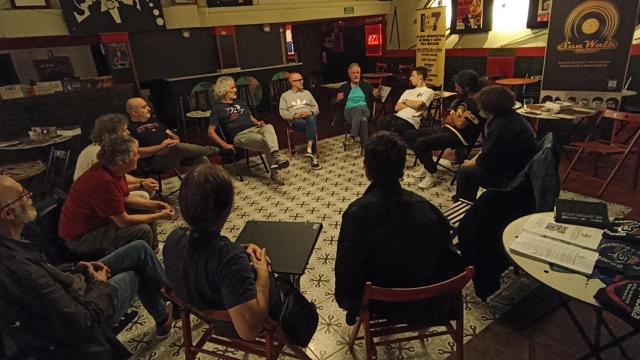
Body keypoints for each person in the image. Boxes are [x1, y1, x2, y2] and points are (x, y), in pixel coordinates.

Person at [0, 176, 172, 359]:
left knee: (139, 249)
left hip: (75, 284)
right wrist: (99, 284)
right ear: (8, 214)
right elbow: (81, 322)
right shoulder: (17, 267)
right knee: (137, 270)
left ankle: (172, 302)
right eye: (23, 195)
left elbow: (48, 274)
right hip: (86, 321)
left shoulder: (14, 244)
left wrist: (78, 267)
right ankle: (169, 308)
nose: (30, 196)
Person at [334, 131, 462, 327]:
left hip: (381, 304)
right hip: (430, 300)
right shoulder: (427, 208)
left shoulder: (357, 214)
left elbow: (347, 272)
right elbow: (448, 258)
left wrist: (350, 303)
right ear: (402, 168)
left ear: (367, 168)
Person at [163, 164, 277, 340]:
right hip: (229, 323)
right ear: (227, 209)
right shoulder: (230, 262)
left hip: (201, 307)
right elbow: (249, 332)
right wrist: (263, 276)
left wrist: (240, 247)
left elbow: (202, 249)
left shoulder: (173, 239)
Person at [59, 135, 175, 259]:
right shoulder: (102, 181)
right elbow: (123, 222)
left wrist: (157, 205)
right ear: (121, 161)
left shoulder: (114, 171)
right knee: (142, 230)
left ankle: (153, 252)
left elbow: (126, 199)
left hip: (97, 225)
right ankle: (146, 261)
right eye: (135, 154)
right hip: (81, 239)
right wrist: (159, 216)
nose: (139, 156)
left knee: (146, 209)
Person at [455, 85, 537, 202]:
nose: (478, 108)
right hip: (518, 166)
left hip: (511, 175)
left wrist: (472, 163)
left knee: (464, 173)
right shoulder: (511, 117)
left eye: (480, 104)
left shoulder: (501, 126)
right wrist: (475, 161)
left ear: (490, 106)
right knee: (470, 166)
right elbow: (489, 149)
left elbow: (487, 160)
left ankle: (464, 206)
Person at [410, 70, 486, 189]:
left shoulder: (477, 103)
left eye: (458, 86)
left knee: (421, 143)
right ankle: (425, 166)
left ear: (466, 87)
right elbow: (446, 119)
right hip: (448, 129)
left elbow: (460, 124)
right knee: (412, 134)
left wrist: (453, 116)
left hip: (461, 137)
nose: (456, 89)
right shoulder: (462, 99)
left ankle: (432, 174)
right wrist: (454, 118)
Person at [208, 76, 289, 185]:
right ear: (224, 89)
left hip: (254, 129)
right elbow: (210, 131)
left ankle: (276, 156)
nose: (235, 90)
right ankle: (275, 173)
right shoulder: (217, 109)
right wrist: (224, 145)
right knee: (265, 141)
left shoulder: (240, 102)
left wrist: (257, 123)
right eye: (232, 88)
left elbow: (249, 117)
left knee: (268, 127)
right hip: (240, 135)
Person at [126, 97, 228, 174]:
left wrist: (175, 140)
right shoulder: (130, 129)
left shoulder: (156, 123)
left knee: (201, 158)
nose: (148, 108)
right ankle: (217, 151)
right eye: (144, 107)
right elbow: (138, 152)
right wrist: (162, 146)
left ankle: (208, 185)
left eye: (147, 106)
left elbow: (175, 137)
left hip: (174, 153)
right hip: (155, 161)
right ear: (135, 112)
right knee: (178, 148)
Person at [74, 113, 158, 199]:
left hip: (103, 191)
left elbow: (120, 178)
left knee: (147, 189)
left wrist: (142, 181)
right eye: (124, 130)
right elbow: (108, 189)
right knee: (143, 194)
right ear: (111, 135)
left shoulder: (107, 148)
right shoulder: (98, 154)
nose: (128, 132)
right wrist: (141, 185)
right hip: (94, 197)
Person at [378, 66, 434, 148]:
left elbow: (418, 105)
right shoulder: (407, 91)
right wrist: (412, 104)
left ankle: (388, 150)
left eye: (412, 75)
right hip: (397, 117)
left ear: (420, 77)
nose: (410, 78)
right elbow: (397, 107)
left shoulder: (428, 91)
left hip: (410, 121)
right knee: (382, 122)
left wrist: (405, 101)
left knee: (390, 130)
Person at [278, 72, 321, 170]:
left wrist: (310, 112)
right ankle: (312, 153)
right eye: (299, 80)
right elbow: (282, 112)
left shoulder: (307, 93)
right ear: (292, 82)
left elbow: (316, 108)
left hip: (309, 118)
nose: (302, 81)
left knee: (310, 119)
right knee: (311, 125)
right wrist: (295, 115)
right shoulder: (285, 96)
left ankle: (310, 151)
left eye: (302, 79)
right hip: (296, 121)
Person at [336, 63, 377, 148]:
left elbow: (376, 100)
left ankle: (352, 136)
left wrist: (377, 95)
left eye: (357, 72)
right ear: (349, 75)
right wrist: (337, 99)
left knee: (360, 109)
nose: (356, 75)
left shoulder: (367, 86)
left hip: (365, 110)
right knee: (363, 120)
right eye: (353, 73)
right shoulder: (344, 87)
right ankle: (365, 148)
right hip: (349, 113)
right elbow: (337, 102)